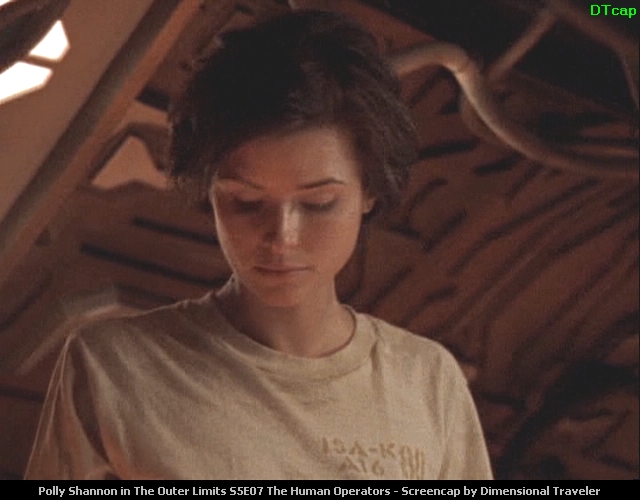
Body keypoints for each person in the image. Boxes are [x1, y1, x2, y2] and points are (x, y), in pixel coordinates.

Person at [24, 9, 493, 479]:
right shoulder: (112, 368)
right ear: (209, 192)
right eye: (247, 203)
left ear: (368, 191)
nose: (282, 238)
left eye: (319, 203)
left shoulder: (428, 382)